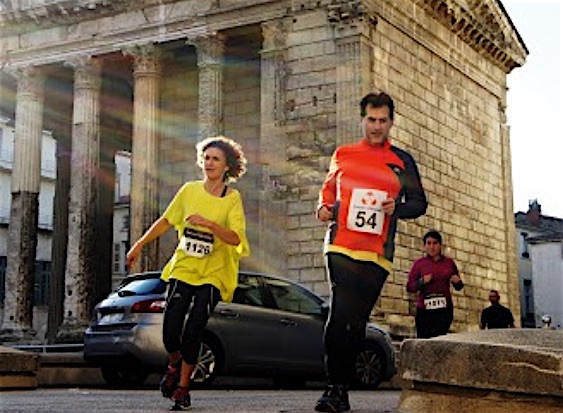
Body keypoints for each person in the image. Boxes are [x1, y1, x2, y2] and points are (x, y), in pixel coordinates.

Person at [315, 92, 427, 413]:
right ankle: (333, 389)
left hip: (377, 252)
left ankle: (342, 386)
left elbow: (419, 203)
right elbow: (328, 190)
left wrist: (398, 207)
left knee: (357, 321)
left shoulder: (402, 160)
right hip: (340, 244)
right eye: (371, 120)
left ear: (391, 122)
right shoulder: (344, 154)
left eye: (383, 121)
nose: (376, 127)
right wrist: (323, 207)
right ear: (362, 119)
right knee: (340, 314)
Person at [126, 136, 249, 411]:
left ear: (227, 165)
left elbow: (235, 238)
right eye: (206, 158)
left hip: (215, 271)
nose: (209, 163)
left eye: (215, 159)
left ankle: (183, 388)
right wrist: (138, 244)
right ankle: (173, 363)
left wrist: (209, 224)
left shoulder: (232, 199)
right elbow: (166, 221)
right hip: (184, 265)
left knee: (194, 329)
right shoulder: (189, 190)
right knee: (171, 328)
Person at [406, 230, 463, 339]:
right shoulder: (419, 264)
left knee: (440, 342)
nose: (432, 247)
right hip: (424, 311)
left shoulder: (449, 263)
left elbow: (459, 287)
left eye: (435, 243)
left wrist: (458, 282)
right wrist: (422, 281)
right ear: (424, 246)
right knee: (424, 343)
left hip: (444, 311)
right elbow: (410, 287)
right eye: (429, 243)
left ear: (440, 245)